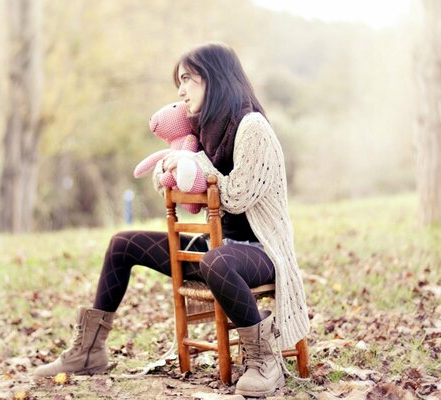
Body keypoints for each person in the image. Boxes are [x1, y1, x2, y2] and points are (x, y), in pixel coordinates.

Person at [34, 42, 310, 397]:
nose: (180, 90)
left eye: (188, 79)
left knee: (217, 261)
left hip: (261, 251)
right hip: (219, 248)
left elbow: (238, 196)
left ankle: (264, 360)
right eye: (179, 82)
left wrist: (195, 165)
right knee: (124, 244)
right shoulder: (203, 132)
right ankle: (88, 352)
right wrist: (173, 165)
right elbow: (187, 188)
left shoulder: (251, 126)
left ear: (215, 79)